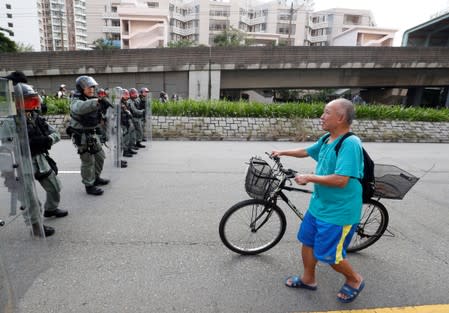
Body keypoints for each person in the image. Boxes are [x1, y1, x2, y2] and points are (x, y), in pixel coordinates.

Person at [271, 98, 365, 303]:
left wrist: (309, 177)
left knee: (331, 255)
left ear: (340, 118)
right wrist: (282, 151)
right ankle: (308, 278)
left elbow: (341, 179)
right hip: (318, 206)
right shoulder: (327, 139)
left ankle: (354, 279)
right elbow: (306, 151)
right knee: (307, 242)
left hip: (339, 212)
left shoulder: (350, 143)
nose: (321, 117)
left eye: (326, 113)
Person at [22, 84, 68, 220]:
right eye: (27, 99)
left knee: (54, 186)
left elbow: (55, 134)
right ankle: (35, 224)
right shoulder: (10, 121)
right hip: (21, 160)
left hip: (39, 158)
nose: (31, 102)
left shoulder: (34, 116)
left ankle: (51, 209)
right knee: (29, 197)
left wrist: (47, 140)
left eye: (32, 99)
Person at [68, 76, 109, 196]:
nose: (91, 89)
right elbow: (81, 108)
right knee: (87, 161)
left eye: (92, 87)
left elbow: (97, 118)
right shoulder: (76, 101)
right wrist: (97, 102)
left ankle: (96, 178)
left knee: (100, 156)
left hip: (92, 134)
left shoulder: (92, 99)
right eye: (88, 87)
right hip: (82, 137)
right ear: (81, 88)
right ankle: (89, 185)